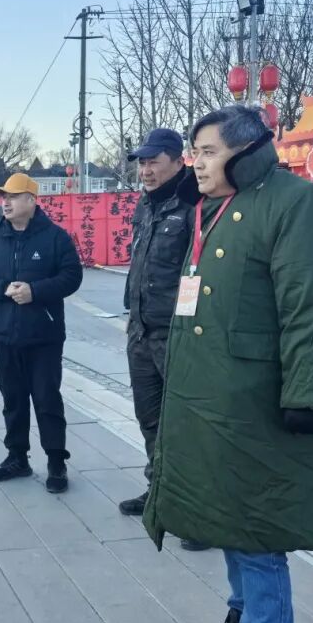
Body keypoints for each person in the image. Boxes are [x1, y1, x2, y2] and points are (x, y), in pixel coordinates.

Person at [143, 104, 313, 623]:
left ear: (245, 151)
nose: (197, 163)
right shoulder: (213, 208)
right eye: (195, 152)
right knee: (229, 526)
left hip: (258, 404)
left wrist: (312, 395)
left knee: (258, 537)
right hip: (209, 399)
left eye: (208, 152)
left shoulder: (298, 202)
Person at [116, 128, 208, 553]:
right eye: (142, 163)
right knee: (149, 419)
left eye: (153, 161)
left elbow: (199, 272)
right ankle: (161, 493)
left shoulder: (193, 205)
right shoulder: (146, 205)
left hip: (176, 335)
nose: (146, 170)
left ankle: (200, 513)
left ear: (177, 160)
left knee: (187, 425)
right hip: (141, 331)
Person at [0, 173, 83, 493]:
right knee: (13, 400)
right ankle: (17, 457)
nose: (5, 202)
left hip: (44, 336)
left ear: (32, 200)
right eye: (3, 197)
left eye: (13, 196)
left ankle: (56, 461)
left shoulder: (55, 237)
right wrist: (3, 289)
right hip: (5, 334)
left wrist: (36, 291)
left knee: (47, 399)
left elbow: (72, 276)